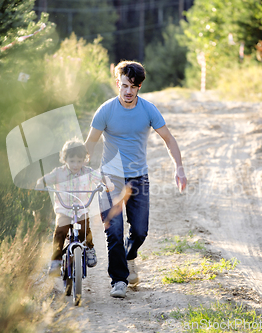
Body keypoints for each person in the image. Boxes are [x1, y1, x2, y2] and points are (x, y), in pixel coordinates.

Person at [85, 61, 187, 298]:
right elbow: (89, 144)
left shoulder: (148, 110)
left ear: (139, 86)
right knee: (115, 229)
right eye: (123, 86)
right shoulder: (106, 110)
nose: (128, 91)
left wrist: (179, 168)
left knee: (140, 231)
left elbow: (169, 140)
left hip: (138, 177)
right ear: (117, 84)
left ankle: (131, 256)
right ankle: (118, 280)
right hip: (111, 178)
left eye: (133, 86)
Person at [36, 138, 113, 276]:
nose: (76, 165)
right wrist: (40, 184)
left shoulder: (87, 172)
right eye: (72, 161)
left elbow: (101, 177)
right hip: (64, 209)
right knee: (60, 230)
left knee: (84, 229)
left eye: (79, 161)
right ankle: (56, 260)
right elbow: (45, 180)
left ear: (85, 159)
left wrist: (108, 183)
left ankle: (89, 248)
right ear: (65, 159)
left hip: (82, 207)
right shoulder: (59, 173)